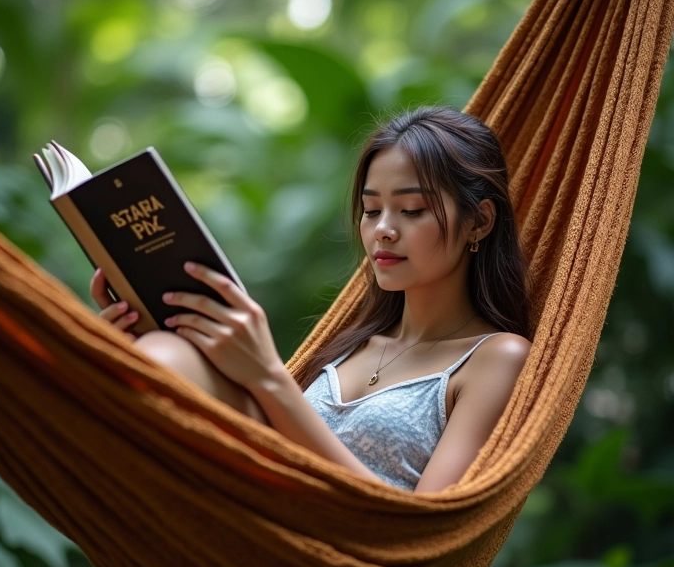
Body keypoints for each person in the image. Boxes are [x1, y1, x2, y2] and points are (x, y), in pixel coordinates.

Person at [90, 106, 531, 493]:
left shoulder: (495, 358)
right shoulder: (354, 342)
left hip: (342, 562)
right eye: (372, 210)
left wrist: (270, 378)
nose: (382, 230)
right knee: (163, 352)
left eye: (411, 210)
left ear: (479, 221)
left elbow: (427, 531)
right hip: (242, 510)